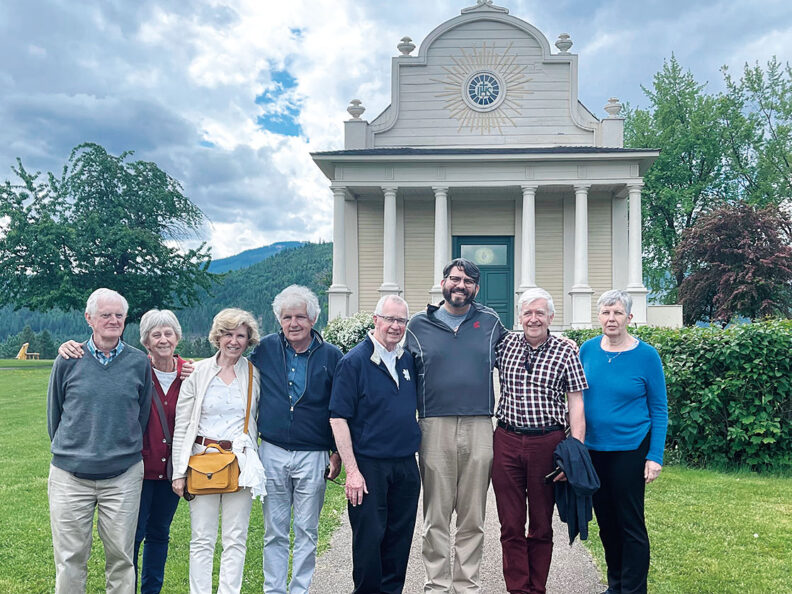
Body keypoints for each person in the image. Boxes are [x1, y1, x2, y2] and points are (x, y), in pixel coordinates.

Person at [58, 309, 191, 593]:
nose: (163, 339)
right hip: (137, 470)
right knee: (131, 538)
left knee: (160, 535)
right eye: (156, 335)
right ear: (145, 341)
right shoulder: (135, 367)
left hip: (171, 474)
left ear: (178, 337)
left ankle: (151, 590)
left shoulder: (190, 374)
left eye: (169, 333)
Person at [404, 258, 508, 593]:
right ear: (443, 283)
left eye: (467, 281)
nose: (460, 285)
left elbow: (516, 355)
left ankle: (466, 586)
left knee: (472, 515)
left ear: (476, 288)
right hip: (433, 425)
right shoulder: (417, 325)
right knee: (436, 514)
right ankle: (436, 584)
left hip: (479, 424)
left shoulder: (490, 321)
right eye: (454, 278)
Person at [47, 288, 153, 593]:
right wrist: (74, 451)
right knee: (70, 559)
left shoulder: (138, 362)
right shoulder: (68, 359)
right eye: (106, 315)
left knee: (121, 558)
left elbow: (141, 415)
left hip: (122, 477)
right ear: (89, 318)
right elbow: (55, 415)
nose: (113, 320)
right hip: (70, 477)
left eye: (119, 315)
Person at [492, 287, 587, 594]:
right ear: (519, 316)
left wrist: (575, 452)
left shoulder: (566, 351)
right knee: (510, 523)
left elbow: (576, 402)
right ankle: (518, 588)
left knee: (542, 525)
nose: (533, 319)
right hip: (506, 440)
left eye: (540, 313)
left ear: (551, 317)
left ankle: (537, 588)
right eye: (527, 313)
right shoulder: (503, 345)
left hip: (548, 443)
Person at [249, 285, 343, 594]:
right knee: (275, 531)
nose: (293, 323)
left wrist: (336, 451)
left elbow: (339, 407)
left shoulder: (332, 356)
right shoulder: (263, 349)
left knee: (307, 529)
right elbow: (230, 364)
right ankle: (274, 590)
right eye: (287, 317)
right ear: (279, 319)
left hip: (312, 453)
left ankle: (300, 589)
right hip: (272, 451)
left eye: (300, 316)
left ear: (313, 318)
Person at [329, 295, 422, 594]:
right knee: (369, 541)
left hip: (406, 466)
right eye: (390, 319)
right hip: (369, 467)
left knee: (399, 540)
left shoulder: (406, 360)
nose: (395, 326)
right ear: (376, 320)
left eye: (401, 321)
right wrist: (352, 472)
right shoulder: (353, 362)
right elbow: (338, 419)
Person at [171, 308, 265, 594]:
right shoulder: (198, 372)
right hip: (201, 462)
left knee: (236, 538)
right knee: (202, 538)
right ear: (217, 337)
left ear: (248, 340)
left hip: (239, 462)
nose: (234, 341)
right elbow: (182, 423)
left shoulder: (252, 373)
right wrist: (178, 472)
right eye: (228, 334)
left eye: (240, 335)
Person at [579, 290, 668, 594]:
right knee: (606, 522)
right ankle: (615, 584)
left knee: (630, 524)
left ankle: (633, 589)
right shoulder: (587, 350)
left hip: (631, 449)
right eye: (605, 312)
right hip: (594, 451)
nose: (611, 318)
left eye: (617, 313)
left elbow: (659, 408)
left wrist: (654, 456)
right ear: (599, 316)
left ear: (629, 317)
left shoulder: (646, 356)